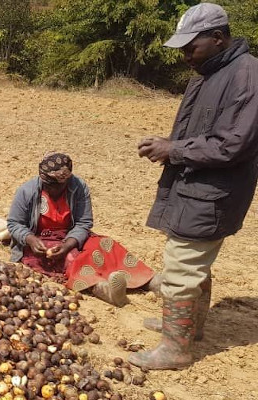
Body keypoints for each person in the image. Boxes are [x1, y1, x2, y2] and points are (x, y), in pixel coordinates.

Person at [132, 3, 258, 370]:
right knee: (192, 261)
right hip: (197, 186)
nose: (186, 56)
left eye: (191, 47)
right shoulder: (210, 70)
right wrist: (171, 148)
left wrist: (172, 149)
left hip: (213, 192)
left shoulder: (246, 76)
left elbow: (232, 144)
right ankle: (188, 328)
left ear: (218, 38)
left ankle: (176, 347)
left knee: (182, 265)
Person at [7, 153, 157, 307]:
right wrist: (30, 240)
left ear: (66, 182)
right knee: (72, 258)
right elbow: (14, 223)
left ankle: (147, 280)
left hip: (71, 236)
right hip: (41, 240)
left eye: (57, 186)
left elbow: (84, 222)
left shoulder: (78, 187)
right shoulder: (27, 191)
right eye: (48, 185)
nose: (52, 189)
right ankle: (102, 289)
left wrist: (68, 243)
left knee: (104, 244)